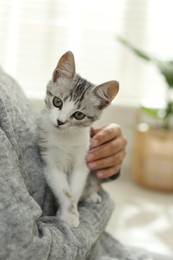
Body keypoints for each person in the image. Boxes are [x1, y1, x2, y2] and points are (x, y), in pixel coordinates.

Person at [0, 67, 172, 260]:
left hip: (102, 242)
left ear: (100, 107)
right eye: (58, 103)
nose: (61, 119)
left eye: (78, 115)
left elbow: (81, 166)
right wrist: (100, 204)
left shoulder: (5, 77)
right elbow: (28, 251)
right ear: (56, 77)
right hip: (82, 243)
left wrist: (106, 164)